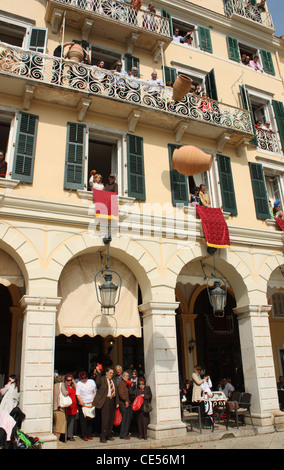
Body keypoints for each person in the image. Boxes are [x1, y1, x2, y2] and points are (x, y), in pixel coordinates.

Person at [94, 366, 119, 443]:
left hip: (112, 400)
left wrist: (117, 402)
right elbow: (97, 383)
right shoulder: (102, 379)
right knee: (105, 419)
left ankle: (108, 434)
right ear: (106, 373)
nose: (111, 374)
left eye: (112, 373)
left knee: (111, 418)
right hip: (105, 401)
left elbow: (116, 392)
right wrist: (98, 373)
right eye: (110, 373)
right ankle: (103, 436)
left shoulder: (113, 380)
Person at [76, 371, 97, 441]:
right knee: (83, 420)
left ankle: (89, 434)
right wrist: (81, 402)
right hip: (83, 404)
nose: (84, 380)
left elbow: (95, 391)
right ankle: (84, 435)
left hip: (91, 403)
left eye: (85, 378)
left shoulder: (92, 382)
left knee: (90, 419)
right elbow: (78, 394)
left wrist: (94, 400)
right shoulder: (79, 384)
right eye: (82, 379)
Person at [53, 375, 68, 442]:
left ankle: (54, 437)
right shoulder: (61, 385)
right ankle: (57, 440)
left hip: (54, 407)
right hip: (60, 407)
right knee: (60, 425)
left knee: (55, 424)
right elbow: (65, 393)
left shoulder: (53, 385)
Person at [118, 371, 132, 439]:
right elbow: (121, 394)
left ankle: (126, 433)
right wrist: (126, 400)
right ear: (123, 377)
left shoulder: (126, 383)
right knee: (125, 419)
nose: (128, 377)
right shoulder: (121, 383)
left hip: (128, 403)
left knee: (128, 419)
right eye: (126, 376)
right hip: (123, 404)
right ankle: (123, 434)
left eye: (128, 376)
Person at [64, 373, 78, 441]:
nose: (69, 382)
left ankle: (70, 435)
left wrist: (73, 382)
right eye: (68, 380)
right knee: (67, 421)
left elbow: (78, 389)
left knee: (72, 422)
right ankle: (66, 435)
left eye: (70, 380)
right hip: (67, 406)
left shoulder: (72, 387)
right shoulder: (64, 387)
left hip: (73, 406)